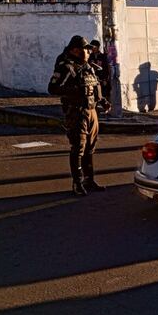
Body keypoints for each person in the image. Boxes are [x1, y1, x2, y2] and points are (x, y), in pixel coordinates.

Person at [48, 35, 110, 195]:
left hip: (92, 111)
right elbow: (53, 88)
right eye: (86, 49)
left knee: (90, 148)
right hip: (76, 111)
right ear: (75, 50)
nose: (89, 51)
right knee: (79, 148)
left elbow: (94, 85)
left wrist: (102, 100)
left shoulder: (89, 66)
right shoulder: (66, 66)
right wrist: (75, 91)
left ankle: (90, 180)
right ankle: (77, 182)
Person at [87, 39, 112, 114]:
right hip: (93, 79)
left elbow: (106, 69)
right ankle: (96, 110)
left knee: (103, 94)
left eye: (94, 47)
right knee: (94, 94)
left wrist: (105, 79)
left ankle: (107, 109)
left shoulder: (103, 56)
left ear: (98, 47)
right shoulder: (89, 56)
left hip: (101, 78)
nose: (92, 49)